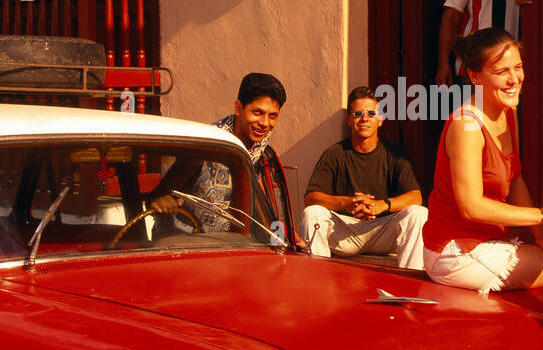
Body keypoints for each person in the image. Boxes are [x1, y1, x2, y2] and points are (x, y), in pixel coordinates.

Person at [422, 26, 543, 293]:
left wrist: (540, 234)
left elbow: (514, 176)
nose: (514, 79)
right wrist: (542, 214)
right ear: (474, 76)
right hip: (455, 252)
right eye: (501, 72)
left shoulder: (507, 111)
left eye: (517, 67)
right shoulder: (467, 126)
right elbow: (471, 207)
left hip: (489, 240)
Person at [152, 72, 300, 245]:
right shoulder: (207, 146)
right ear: (238, 108)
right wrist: (164, 200)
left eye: (272, 116)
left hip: (236, 249)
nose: (265, 123)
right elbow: (160, 196)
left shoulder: (262, 152)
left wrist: (284, 238)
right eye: (257, 112)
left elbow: (265, 206)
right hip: (187, 247)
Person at [302, 87, 427, 268]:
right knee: (312, 213)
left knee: (418, 213)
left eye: (371, 113)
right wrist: (347, 203)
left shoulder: (395, 154)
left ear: (380, 120)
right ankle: (315, 285)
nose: (365, 119)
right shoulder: (334, 154)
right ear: (349, 120)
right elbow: (311, 198)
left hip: (381, 230)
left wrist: (381, 205)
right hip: (346, 231)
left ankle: (409, 288)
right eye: (358, 113)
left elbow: (416, 197)